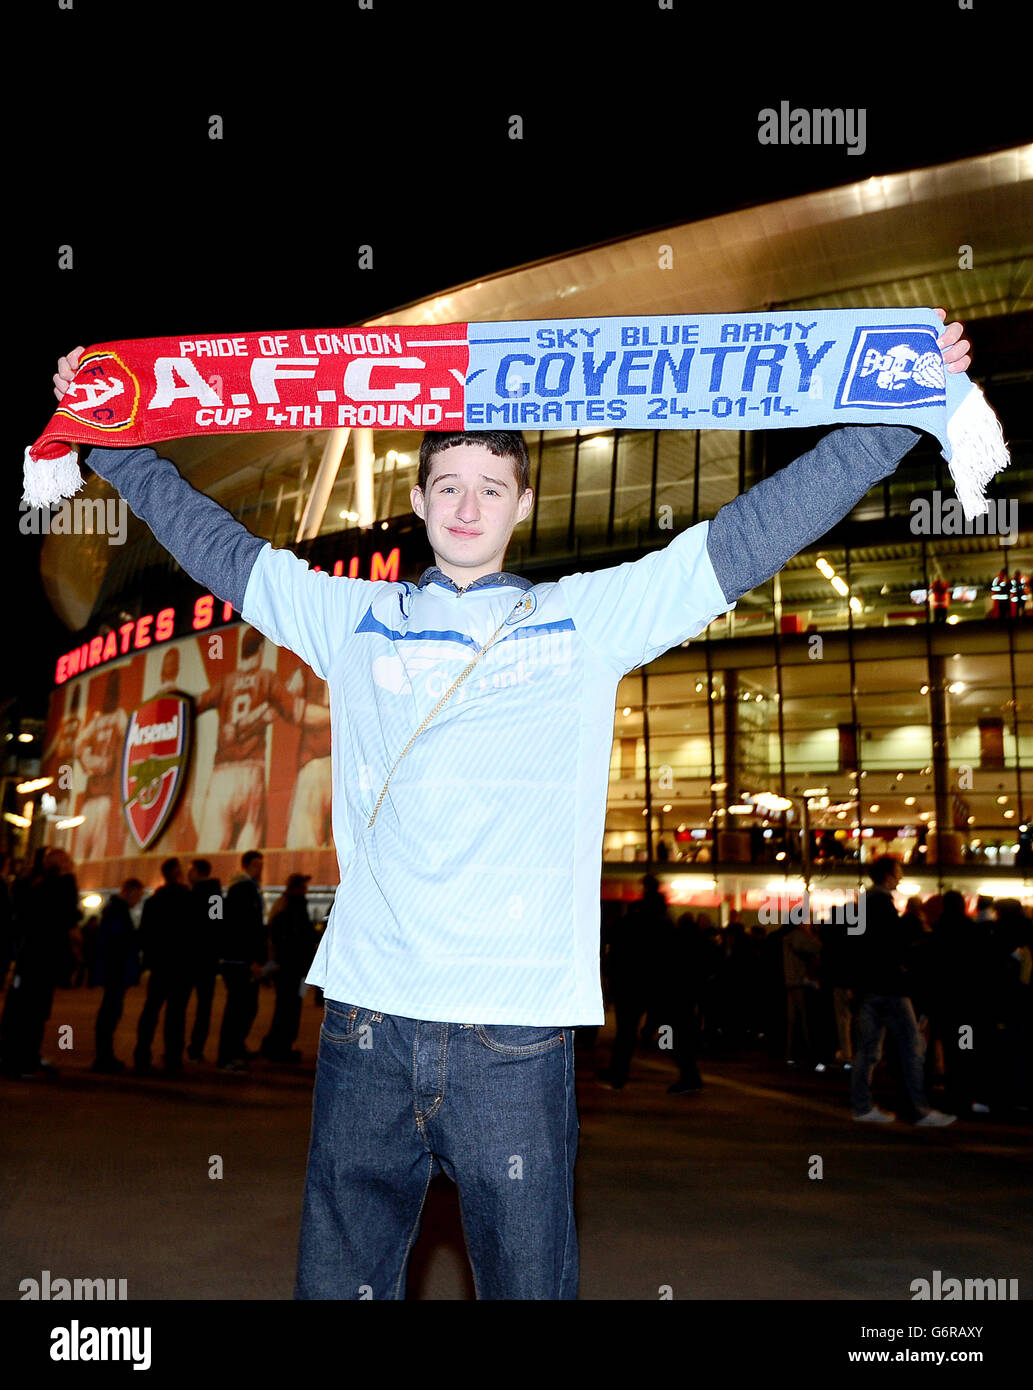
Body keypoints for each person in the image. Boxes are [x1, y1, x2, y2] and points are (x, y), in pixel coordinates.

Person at [52, 310, 972, 1300]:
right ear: (416, 496)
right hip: (368, 1025)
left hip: (515, 1036)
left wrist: (894, 412)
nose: (465, 504)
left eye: (490, 488)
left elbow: (749, 536)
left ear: (520, 504)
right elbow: (211, 541)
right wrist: (108, 429)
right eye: (447, 484)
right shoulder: (346, 616)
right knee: (336, 1289)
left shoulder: (585, 618)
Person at [847, 857, 956, 1126]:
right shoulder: (881, 904)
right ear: (888, 876)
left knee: (869, 1049)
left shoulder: (861, 903)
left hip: (868, 985)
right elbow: (892, 941)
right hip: (889, 985)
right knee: (912, 1045)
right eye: (898, 873)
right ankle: (919, 1108)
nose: (900, 877)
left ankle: (862, 1106)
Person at [0, 848, 80, 1078]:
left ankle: (24, 1056)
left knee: (31, 1011)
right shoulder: (50, 886)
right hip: (38, 959)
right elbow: (65, 913)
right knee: (29, 1012)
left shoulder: (38, 884)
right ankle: (20, 1060)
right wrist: (68, 877)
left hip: (35, 958)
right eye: (64, 861)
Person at [134, 858, 193, 1076]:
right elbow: (196, 931)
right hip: (181, 966)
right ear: (178, 874)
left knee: (151, 1011)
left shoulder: (154, 901)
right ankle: (173, 1057)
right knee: (176, 1015)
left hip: (160, 965)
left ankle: (142, 1054)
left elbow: (145, 934)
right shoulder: (188, 899)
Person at [217, 850, 268, 1071]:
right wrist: (252, 960)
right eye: (256, 864)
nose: (260, 868)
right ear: (247, 865)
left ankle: (236, 1048)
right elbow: (245, 929)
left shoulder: (246, 889)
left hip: (238, 959)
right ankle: (227, 1054)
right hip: (240, 962)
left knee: (245, 1007)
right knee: (239, 1009)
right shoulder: (244, 890)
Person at [261, 873, 318, 1062]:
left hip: (295, 969)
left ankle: (277, 1045)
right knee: (288, 1009)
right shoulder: (291, 907)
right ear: (294, 888)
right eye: (302, 887)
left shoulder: (290, 905)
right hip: (292, 969)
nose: (305, 890)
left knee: (289, 1008)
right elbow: (290, 938)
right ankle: (280, 1047)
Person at [92, 878, 144, 1073]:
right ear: (129, 892)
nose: (138, 900)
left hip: (115, 971)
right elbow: (121, 942)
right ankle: (104, 1056)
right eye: (137, 896)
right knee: (110, 1013)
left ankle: (105, 1055)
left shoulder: (115, 911)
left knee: (110, 1012)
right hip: (117, 971)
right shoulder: (118, 912)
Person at [185, 859, 222, 1062]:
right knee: (204, 1007)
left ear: (197, 872)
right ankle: (196, 1047)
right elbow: (216, 923)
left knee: (181, 1004)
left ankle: (187, 1046)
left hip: (193, 957)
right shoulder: (215, 895)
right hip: (208, 958)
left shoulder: (195, 894)